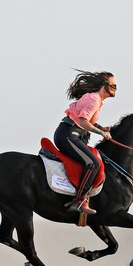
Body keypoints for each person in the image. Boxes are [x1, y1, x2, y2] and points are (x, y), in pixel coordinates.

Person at [53, 70, 116, 214]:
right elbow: (82, 121)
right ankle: (79, 201)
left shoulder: (97, 101)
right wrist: (101, 133)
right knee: (93, 163)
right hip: (69, 135)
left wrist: (101, 127)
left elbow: (86, 121)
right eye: (113, 85)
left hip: (73, 134)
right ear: (104, 86)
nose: (115, 89)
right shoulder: (94, 99)